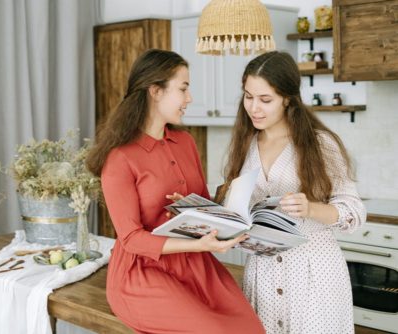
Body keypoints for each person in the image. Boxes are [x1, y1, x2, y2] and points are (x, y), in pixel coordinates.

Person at [86, 49, 265, 334]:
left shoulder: (185, 142)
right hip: (144, 274)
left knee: (250, 329)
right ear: (155, 91)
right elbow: (131, 239)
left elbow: (204, 206)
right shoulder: (120, 157)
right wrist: (200, 245)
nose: (189, 98)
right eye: (183, 88)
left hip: (196, 264)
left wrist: (215, 202)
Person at [214, 51, 366, 334]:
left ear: (288, 98)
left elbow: (354, 212)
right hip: (263, 273)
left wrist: (311, 208)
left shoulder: (320, 144)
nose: (254, 108)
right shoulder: (244, 145)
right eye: (248, 96)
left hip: (314, 273)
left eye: (265, 99)